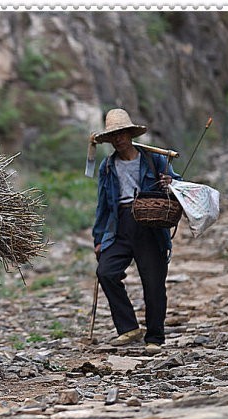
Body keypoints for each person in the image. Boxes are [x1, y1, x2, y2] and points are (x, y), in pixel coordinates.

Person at [91, 108, 181, 355]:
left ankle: (155, 337)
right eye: (114, 136)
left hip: (150, 224)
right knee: (106, 272)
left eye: (122, 134)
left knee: (153, 283)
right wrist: (98, 239)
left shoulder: (154, 159)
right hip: (119, 226)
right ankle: (128, 327)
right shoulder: (108, 166)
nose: (118, 139)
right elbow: (103, 205)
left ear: (130, 134)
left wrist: (169, 183)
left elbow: (177, 182)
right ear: (109, 139)